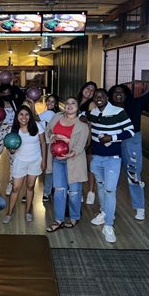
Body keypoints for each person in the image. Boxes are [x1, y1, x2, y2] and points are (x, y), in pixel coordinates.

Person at [108, 73, 149, 220]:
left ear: (126, 95)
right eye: (115, 93)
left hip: (131, 141)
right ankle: (107, 210)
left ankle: (139, 207)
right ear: (111, 95)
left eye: (122, 92)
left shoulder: (135, 104)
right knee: (111, 176)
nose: (118, 95)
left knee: (133, 174)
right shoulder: (108, 108)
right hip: (113, 142)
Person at [87, 89, 134, 243]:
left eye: (101, 96)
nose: (99, 98)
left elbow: (130, 131)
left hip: (113, 158)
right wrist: (82, 117)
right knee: (100, 187)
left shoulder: (118, 111)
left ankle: (109, 225)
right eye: (96, 97)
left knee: (110, 190)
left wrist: (112, 137)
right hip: (97, 158)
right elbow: (82, 116)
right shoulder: (93, 112)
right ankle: (104, 212)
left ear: (107, 97)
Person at [45, 97, 89, 232]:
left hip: (74, 161)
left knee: (74, 191)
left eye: (73, 103)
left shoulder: (82, 125)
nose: (70, 105)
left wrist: (68, 143)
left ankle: (74, 217)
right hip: (57, 159)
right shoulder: (57, 117)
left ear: (77, 107)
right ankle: (59, 219)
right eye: (68, 103)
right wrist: (53, 137)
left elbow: (81, 145)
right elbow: (48, 131)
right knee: (59, 190)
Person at [3, 105, 46, 224]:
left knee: (30, 187)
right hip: (20, 161)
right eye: (21, 114)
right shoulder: (14, 130)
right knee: (15, 188)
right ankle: (9, 212)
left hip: (35, 160)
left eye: (27, 114)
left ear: (30, 116)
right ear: (17, 117)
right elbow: (12, 148)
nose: (24, 117)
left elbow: (43, 143)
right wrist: (11, 150)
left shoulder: (37, 126)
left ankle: (28, 211)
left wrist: (44, 161)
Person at [0, 84, 24, 195]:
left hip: (13, 132)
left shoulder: (16, 103)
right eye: (3, 92)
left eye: (8, 92)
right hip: (0, 131)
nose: (6, 94)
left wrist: (11, 84)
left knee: (13, 159)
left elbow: (21, 95)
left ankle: (11, 183)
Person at [77, 81, 97, 205]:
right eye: (87, 88)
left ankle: (91, 192)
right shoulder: (77, 102)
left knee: (90, 167)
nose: (89, 91)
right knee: (78, 166)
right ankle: (78, 192)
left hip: (88, 139)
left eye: (92, 90)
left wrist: (89, 140)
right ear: (83, 88)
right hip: (76, 139)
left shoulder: (92, 104)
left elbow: (91, 123)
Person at [38, 93, 61, 202]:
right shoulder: (53, 113)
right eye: (48, 101)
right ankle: (51, 188)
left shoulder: (49, 113)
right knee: (49, 168)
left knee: (48, 168)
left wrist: (32, 103)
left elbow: (33, 117)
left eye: (53, 101)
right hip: (48, 142)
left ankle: (47, 192)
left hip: (48, 143)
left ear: (56, 104)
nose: (50, 103)